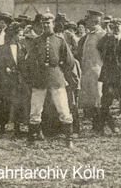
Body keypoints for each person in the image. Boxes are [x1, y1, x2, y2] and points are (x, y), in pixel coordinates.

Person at [21, 13, 77, 148]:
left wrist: (60, 71)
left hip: (56, 77)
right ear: (41, 25)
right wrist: (33, 74)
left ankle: (68, 139)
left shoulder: (60, 40)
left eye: (49, 23)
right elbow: (29, 61)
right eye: (44, 23)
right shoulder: (36, 41)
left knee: (63, 108)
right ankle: (32, 139)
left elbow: (69, 61)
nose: (46, 25)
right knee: (35, 109)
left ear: (53, 24)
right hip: (39, 78)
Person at [0, 14, 28, 135]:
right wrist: (5, 68)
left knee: (18, 101)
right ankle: (2, 125)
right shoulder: (3, 47)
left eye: (19, 35)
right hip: (5, 77)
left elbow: (23, 62)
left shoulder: (22, 47)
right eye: (15, 34)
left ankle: (17, 126)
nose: (17, 37)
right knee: (3, 100)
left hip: (18, 78)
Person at [95, 18, 121, 134]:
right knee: (106, 101)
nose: (117, 28)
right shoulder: (107, 39)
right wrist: (109, 36)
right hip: (109, 75)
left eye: (119, 26)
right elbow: (99, 48)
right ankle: (104, 125)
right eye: (114, 26)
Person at [76, 10, 106, 132]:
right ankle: (95, 124)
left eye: (88, 19)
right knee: (90, 99)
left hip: (98, 71)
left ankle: (100, 126)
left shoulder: (102, 35)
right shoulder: (89, 35)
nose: (85, 22)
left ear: (95, 21)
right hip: (87, 71)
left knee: (98, 99)